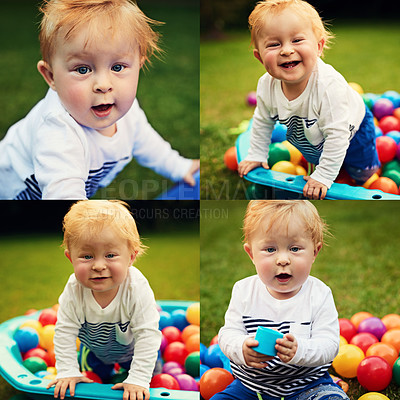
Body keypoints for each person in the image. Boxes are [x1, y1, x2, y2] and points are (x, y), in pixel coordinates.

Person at [0, 0, 199, 199]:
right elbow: (63, 196)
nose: (103, 85)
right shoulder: (57, 131)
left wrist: (181, 167)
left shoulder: (128, 111)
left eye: (118, 67)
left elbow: (146, 142)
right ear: (51, 76)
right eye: (83, 69)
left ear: (139, 66)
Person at [238, 0, 380, 200]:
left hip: (353, 130)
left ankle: (358, 175)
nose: (286, 50)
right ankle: (328, 169)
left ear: (319, 46)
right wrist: (256, 155)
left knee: (361, 171)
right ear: (260, 57)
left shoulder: (328, 87)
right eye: (274, 44)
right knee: (315, 153)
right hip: (311, 135)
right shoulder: (266, 85)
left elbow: (338, 137)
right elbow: (262, 121)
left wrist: (324, 176)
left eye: (297, 40)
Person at [214, 200, 349, 399]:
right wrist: (242, 347)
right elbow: (227, 333)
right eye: (270, 249)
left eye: (295, 249)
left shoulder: (319, 293)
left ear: (314, 252)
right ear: (251, 254)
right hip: (250, 386)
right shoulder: (243, 290)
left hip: (307, 384)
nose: (283, 259)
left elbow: (329, 345)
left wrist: (300, 350)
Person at [47, 200, 161, 400]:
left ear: (131, 257)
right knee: (91, 386)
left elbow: (147, 335)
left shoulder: (136, 287)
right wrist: (67, 371)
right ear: (70, 258)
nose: (99, 265)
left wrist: (138, 378)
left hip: (134, 351)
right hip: (94, 351)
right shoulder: (74, 288)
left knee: (153, 379)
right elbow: (65, 331)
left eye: (110, 255)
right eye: (87, 256)